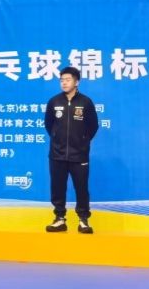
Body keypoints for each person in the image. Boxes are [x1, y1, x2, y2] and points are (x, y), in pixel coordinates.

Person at [44, 66, 99, 234]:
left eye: (68, 80)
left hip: (79, 155)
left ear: (77, 82)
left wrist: (82, 141)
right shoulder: (54, 101)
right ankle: (59, 219)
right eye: (61, 80)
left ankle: (83, 220)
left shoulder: (86, 102)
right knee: (57, 187)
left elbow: (93, 126)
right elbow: (49, 125)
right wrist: (57, 140)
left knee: (81, 188)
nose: (64, 83)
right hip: (57, 154)